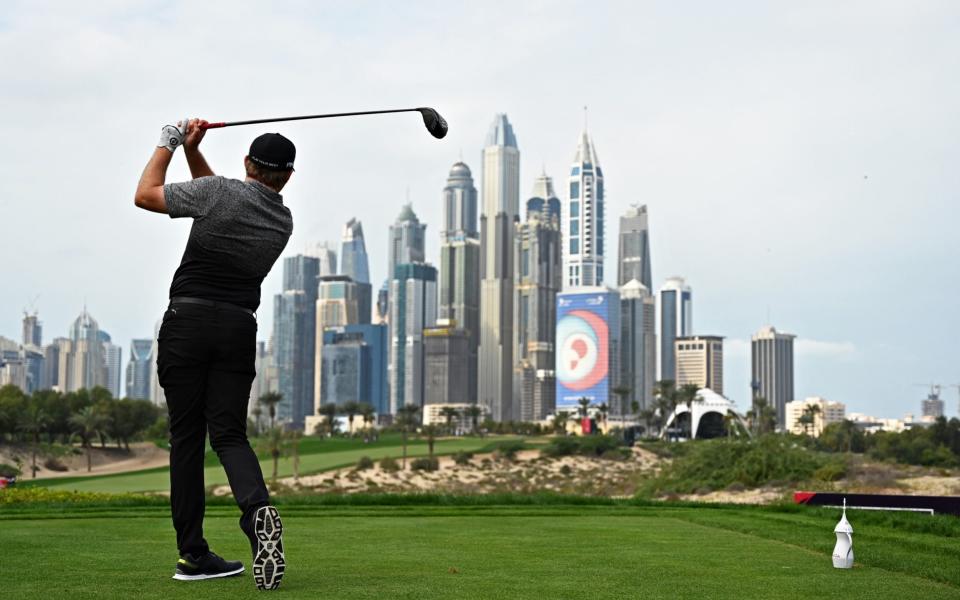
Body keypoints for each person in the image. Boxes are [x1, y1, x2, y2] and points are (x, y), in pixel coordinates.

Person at [134, 119, 294, 590]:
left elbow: (146, 194)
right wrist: (191, 150)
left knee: (186, 438)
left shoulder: (219, 194)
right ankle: (257, 509)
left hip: (188, 323)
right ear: (287, 177)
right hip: (238, 329)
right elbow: (216, 193)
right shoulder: (281, 221)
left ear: (247, 163)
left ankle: (194, 554)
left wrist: (169, 140)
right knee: (228, 435)